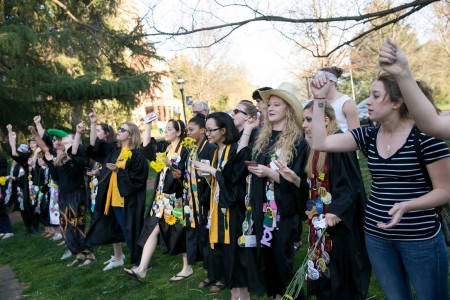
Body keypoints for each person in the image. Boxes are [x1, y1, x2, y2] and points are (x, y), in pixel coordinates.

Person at [310, 69, 450, 300]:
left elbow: (445, 191)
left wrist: (407, 205)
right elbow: (320, 141)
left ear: (397, 102)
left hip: (420, 238)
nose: (367, 101)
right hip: (376, 237)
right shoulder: (368, 135)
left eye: (375, 95)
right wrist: (318, 100)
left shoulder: (426, 137)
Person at [288, 100, 371, 299]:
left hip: (340, 226)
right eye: (304, 120)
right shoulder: (316, 146)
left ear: (325, 119)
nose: (304, 125)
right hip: (322, 222)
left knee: (342, 277)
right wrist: (297, 180)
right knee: (325, 271)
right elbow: (319, 187)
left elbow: (350, 186)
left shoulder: (339, 142)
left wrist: (337, 211)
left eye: (309, 120)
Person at [242, 82, 308, 299]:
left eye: (276, 105)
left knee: (282, 263)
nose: (270, 108)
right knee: (267, 261)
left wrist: (269, 174)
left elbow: (300, 182)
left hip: (283, 212)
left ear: (288, 109)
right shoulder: (263, 137)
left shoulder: (298, 141)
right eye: (269, 104)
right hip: (262, 210)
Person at [193, 112, 265, 300]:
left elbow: (234, 181)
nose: (207, 133)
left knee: (238, 259)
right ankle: (235, 296)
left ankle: (242, 296)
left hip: (235, 213)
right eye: (206, 130)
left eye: (211, 130)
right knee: (228, 258)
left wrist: (213, 171)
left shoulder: (233, 150)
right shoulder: (216, 151)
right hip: (220, 210)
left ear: (224, 130)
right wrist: (209, 174)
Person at [124, 116, 190, 282]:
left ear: (179, 132)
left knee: (178, 232)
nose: (166, 132)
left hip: (176, 199)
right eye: (165, 128)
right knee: (152, 230)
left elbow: (182, 174)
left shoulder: (185, 150)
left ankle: (187, 267)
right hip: (161, 199)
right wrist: (148, 125)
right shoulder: (164, 147)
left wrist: (170, 165)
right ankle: (142, 268)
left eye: (169, 129)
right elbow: (146, 147)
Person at [83, 110, 149, 269]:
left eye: (122, 130)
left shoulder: (137, 155)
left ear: (131, 135)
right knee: (123, 232)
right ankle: (130, 259)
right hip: (112, 199)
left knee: (132, 231)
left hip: (128, 199)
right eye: (119, 129)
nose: (118, 131)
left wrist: (118, 171)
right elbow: (93, 148)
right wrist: (93, 124)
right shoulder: (114, 149)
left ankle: (141, 263)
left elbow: (139, 179)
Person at [29, 117, 96, 267]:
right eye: (60, 142)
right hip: (64, 195)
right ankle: (78, 253)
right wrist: (35, 133)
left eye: (64, 141)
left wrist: (77, 134)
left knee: (77, 223)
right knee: (65, 225)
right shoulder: (54, 157)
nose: (60, 142)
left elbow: (74, 145)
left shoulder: (75, 156)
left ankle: (89, 254)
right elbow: (44, 147)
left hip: (76, 194)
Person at [178, 115, 221, 293]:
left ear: (203, 130)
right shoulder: (192, 148)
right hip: (195, 200)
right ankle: (211, 273)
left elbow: (213, 174)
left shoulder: (210, 148)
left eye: (191, 129)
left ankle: (221, 277)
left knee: (213, 238)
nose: (188, 133)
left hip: (208, 198)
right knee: (203, 237)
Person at [378, 38, 450, 140]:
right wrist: (402, 73)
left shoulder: (424, 143)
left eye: (376, 96)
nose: (368, 102)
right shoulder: (371, 135)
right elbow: (433, 125)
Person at [312, 67, 359, 132]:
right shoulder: (317, 103)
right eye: (316, 79)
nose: (318, 82)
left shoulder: (347, 103)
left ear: (332, 81)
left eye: (321, 79)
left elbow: (356, 135)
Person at [0, 144, 14, 240]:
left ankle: (8, 230)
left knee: (1, 208)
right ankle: (1, 230)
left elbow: (3, 172)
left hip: (1, 184)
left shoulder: (1, 159)